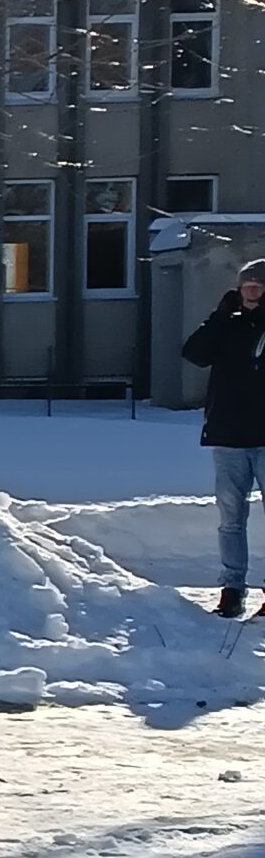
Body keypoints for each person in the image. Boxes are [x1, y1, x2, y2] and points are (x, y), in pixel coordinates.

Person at [182, 258, 265, 617]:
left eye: (260, 285)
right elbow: (194, 353)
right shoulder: (226, 324)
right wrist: (219, 317)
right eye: (248, 285)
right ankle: (232, 589)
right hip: (229, 435)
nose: (253, 291)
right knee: (231, 519)